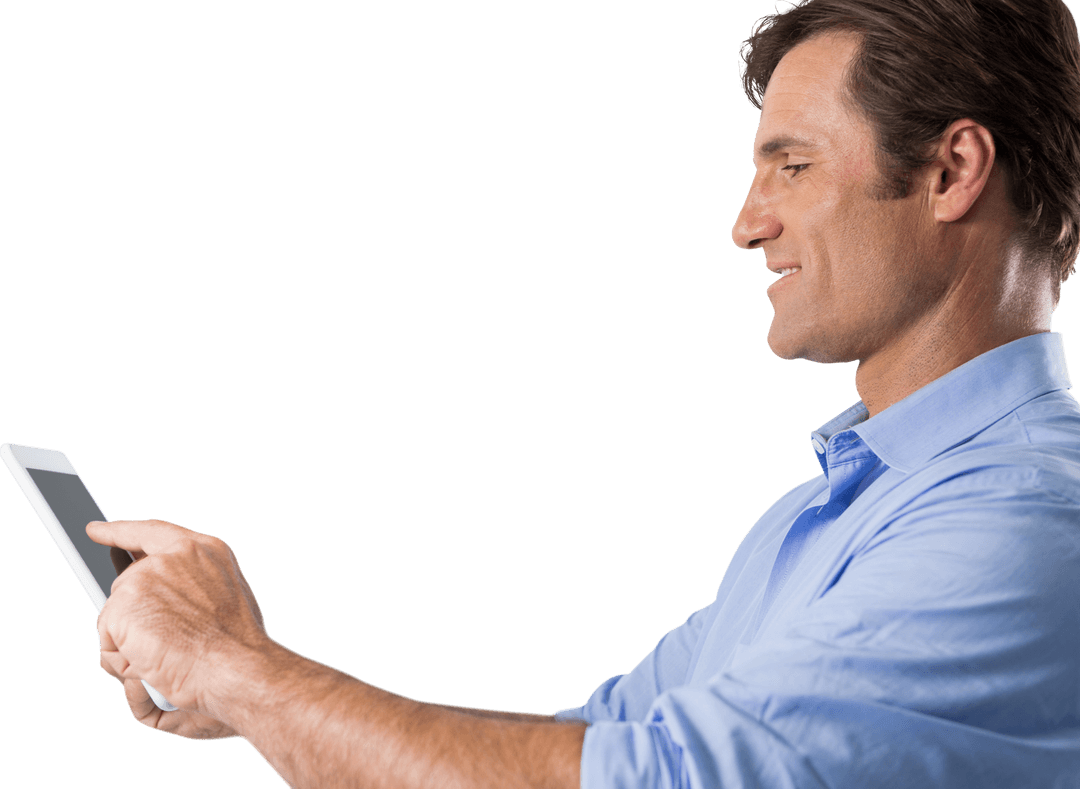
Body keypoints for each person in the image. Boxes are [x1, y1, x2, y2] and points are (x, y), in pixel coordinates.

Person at [88, 0, 1080, 786]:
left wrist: (237, 667)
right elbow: (603, 737)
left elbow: (651, 780)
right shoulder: (819, 518)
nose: (747, 224)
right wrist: (252, 693)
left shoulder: (1023, 520)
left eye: (793, 166)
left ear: (951, 171)